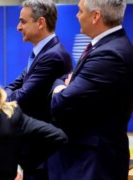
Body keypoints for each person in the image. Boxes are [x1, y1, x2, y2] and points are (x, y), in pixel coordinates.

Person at [50, 0, 133, 179]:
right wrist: (65, 85)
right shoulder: (105, 47)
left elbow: (62, 102)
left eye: (80, 11)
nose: (77, 16)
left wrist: (59, 88)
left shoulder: (110, 54)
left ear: (96, 16)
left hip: (94, 163)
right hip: (86, 159)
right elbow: (67, 84)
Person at [4, 0, 72, 179]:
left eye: (23, 21)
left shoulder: (53, 56)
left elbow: (22, 97)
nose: (18, 27)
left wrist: (3, 98)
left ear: (41, 22)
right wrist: (7, 94)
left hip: (45, 155)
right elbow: (13, 86)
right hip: (36, 153)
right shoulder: (41, 53)